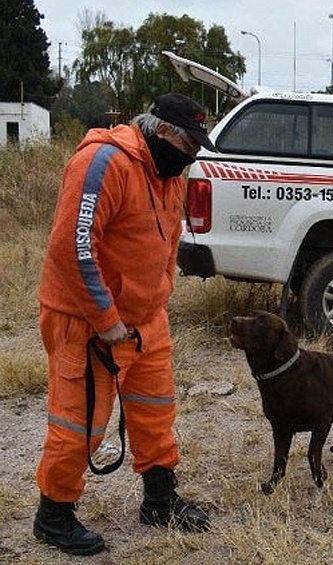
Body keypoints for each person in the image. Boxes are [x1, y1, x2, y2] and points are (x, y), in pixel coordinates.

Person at [33, 93, 215, 556]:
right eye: (189, 144)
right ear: (163, 132)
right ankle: (53, 514)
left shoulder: (169, 172)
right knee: (79, 424)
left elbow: (166, 237)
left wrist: (155, 301)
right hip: (86, 323)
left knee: (155, 410)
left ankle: (159, 499)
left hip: (146, 319)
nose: (192, 155)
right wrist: (106, 318)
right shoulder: (103, 163)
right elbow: (72, 248)